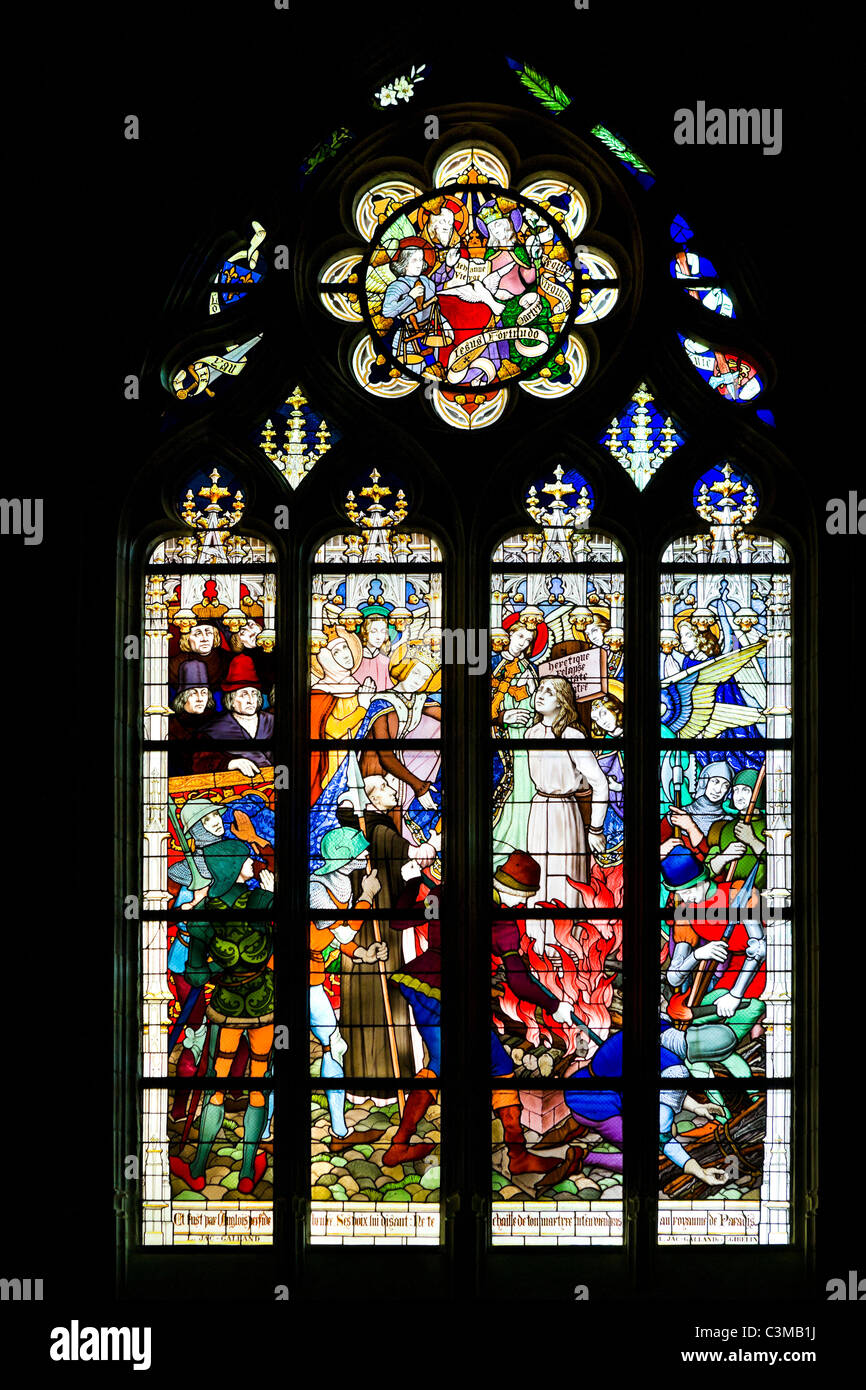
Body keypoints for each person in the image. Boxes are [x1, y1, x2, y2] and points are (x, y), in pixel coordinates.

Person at [535, 1030, 729, 1195]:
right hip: (594, 1105)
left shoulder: (651, 1046)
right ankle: (582, 1155)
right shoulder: (665, 1063)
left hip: (585, 1088)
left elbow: (668, 1090)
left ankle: (576, 1129)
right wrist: (698, 1171)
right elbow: (664, 1138)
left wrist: (696, 1107)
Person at [309, 826, 387, 1147]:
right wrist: (368, 897)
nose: (366, 853)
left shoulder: (340, 885)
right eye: (359, 850)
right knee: (332, 1045)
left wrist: (364, 954)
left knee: (330, 1046)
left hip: (312, 977)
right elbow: (338, 931)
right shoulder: (315, 888)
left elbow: (340, 938)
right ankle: (336, 1132)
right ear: (343, 857)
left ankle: (339, 1131)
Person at [524, 677, 608, 906]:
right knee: (537, 873)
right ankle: (536, 938)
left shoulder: (572, 736)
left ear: (562, 701)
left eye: (549, 692)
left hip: (564, 813)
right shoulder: (530, 734)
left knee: (564, 874)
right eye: (540, 689)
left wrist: (596, 829)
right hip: (539, 810)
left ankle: (564, 936)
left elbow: (600, 783)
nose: (540, 694)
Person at [662, 843, 766, 1021]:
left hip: (758, 971)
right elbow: (674, 977)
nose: (687, 898)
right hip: (731, 974)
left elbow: (760, 948)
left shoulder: (737, 893)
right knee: (685, 1015)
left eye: (689, 891)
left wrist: (736, 995)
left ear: (702, 880)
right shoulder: (686, 913)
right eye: (681, 894)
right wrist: (697, 955)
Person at [169, 659, 215, 740]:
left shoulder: (216, 724)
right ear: (182, 698)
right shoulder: (172, 726)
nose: (200, 699)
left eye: (204, 692)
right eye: (193, 693)